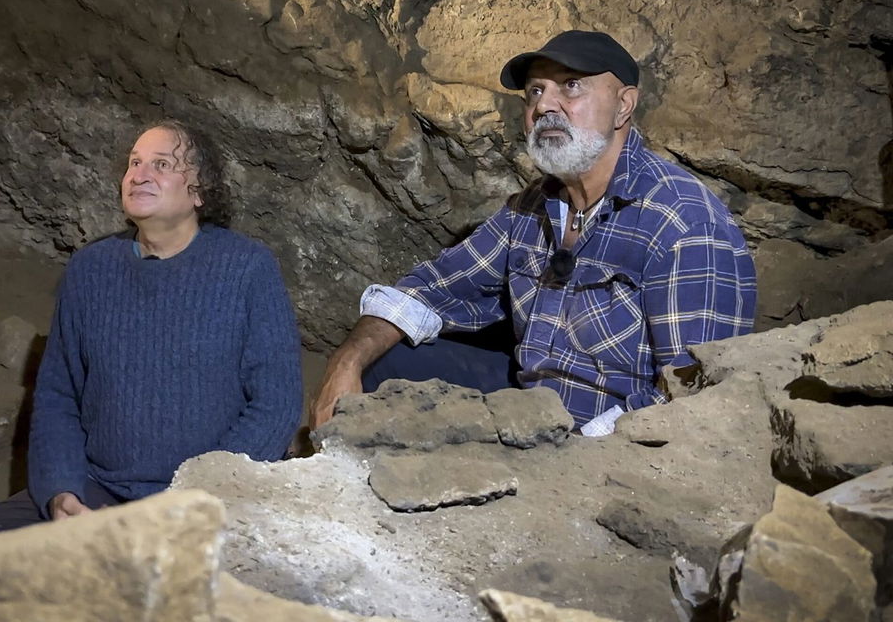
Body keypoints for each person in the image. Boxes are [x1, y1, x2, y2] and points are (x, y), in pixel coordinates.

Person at [311, 30, 757, 435]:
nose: (544, 105)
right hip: (532, 408)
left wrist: (558, 461)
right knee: (386, 360)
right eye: (536, 92)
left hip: (616, 442)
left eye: (571, 86)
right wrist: (345, 361)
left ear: (624, 104)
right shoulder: (534, 206)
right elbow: (434, 290)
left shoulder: (683, 222)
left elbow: (691, 393)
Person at [0, 119, 302, 534]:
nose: (139, 175)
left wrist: (198, 497)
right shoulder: (91, 270)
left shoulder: (247, 268)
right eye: (134, 163)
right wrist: (62, 492)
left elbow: (276, 403)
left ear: (198, 189)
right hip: (104, 489)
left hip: (208, 497)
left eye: (162, 165)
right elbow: (59, 394)